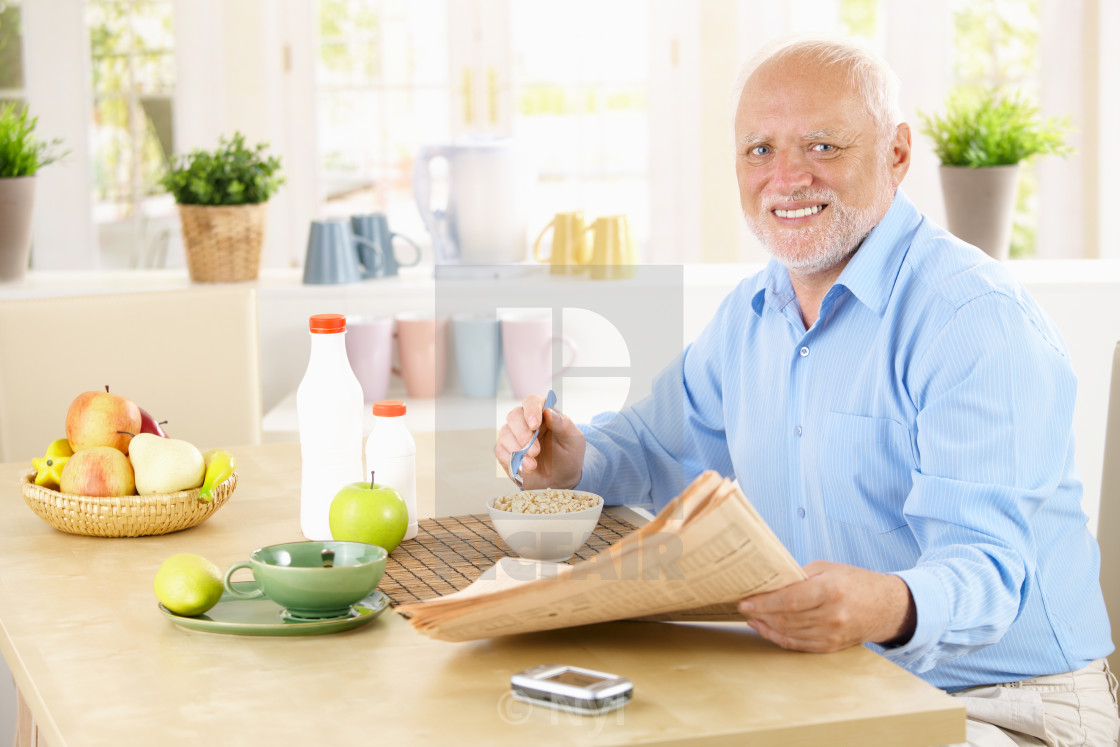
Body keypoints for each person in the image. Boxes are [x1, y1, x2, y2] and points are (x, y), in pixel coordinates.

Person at [494, 35, 1119, 745]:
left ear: (897, 154)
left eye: (822, 146)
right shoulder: (753, 313)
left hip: (1009, 704)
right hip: (838, 686)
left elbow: (989, 572)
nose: (786, 177)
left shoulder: (973, 321)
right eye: (760, 150)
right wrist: (576, 460)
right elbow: (656, 445)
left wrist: (886, 602)